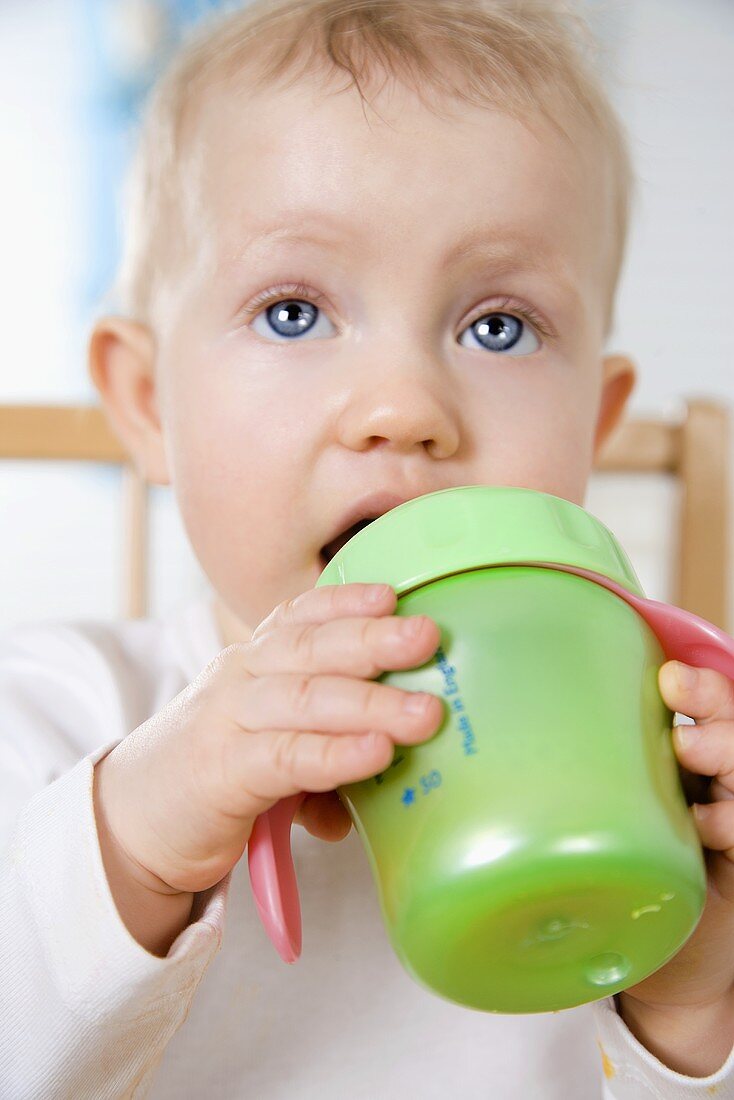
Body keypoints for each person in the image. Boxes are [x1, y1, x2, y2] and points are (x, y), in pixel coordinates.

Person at [2, 0, 734, 1095]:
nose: (402, 407)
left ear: (592, 425)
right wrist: (144, 830)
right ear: (151, 403)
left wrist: (689, 1003)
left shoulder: (665, 745)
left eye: (497, 325)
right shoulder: (58, 710)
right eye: (294, 312)